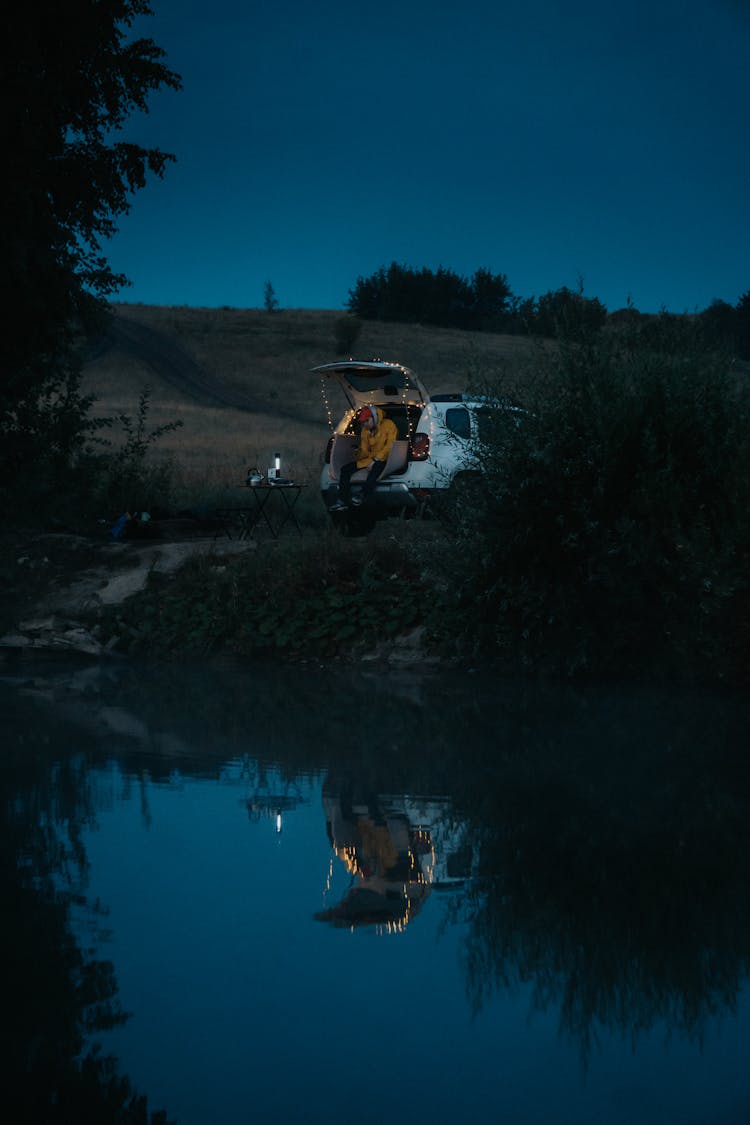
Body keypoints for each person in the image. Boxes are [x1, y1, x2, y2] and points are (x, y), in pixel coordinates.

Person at [329, 405, 398, 510]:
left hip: (387, 459)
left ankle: (362, 494)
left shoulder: (389, 425)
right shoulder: (365, 430)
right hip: (369, 459)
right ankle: (342, 501)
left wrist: (375, 460)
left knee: (376, 468)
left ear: (374, 417)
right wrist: (357, 454)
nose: (365, 424)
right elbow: (365, 451)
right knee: (345, 469)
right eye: (363, 422)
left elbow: (390, 447)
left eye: (367, 420)